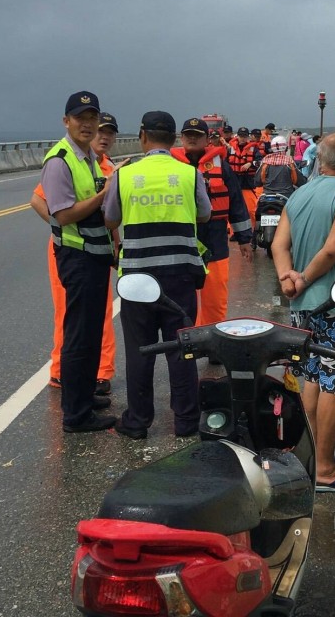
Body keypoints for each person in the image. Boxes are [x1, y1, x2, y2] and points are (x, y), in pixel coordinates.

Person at [104, 111, 212, 440]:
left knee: (140, 350)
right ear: (173, 138)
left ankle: (137, 422)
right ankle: (186, 422)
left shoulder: (126, 175)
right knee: (181, 348)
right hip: (179, 274)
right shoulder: (189, 173)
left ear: (142, 137)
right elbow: (205, 214)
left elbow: (110, 219)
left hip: (137, 279)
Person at [271, 132, 335, 493]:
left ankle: (315, 456)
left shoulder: (299, 194)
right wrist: (307, 277)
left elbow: (280, 244)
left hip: (302, 304)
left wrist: (288, 279)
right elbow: (332, 251)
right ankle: (325, 469)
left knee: (313, 376)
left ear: (319, 159)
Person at [40, 91, 116, 433]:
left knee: (89, 334)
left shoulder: (86, 156)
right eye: (80, 117)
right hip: (78, 257)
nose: (87, 124)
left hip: (94, 256)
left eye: (92, 118)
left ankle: (84, 395)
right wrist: (105, 196)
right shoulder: (60, 160)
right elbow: (64, 213)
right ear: (66, 120)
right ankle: (76, 414)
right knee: (79, 337)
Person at [171, 117, 252, 330]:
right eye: (188, 135)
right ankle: (189, 340)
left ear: (207, 139)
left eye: (197, 135)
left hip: (215, 241)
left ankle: (215, 341)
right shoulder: (171, 167)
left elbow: (236, 203)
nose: (192, 139)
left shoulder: (222, 168)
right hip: (181, 241)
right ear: (181, 138)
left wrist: (244, 239)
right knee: (182, 299)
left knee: (215, 298)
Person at [228, 127, 263, 242]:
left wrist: (250, 163)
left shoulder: (254, 149)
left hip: (248, 183)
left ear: (248, 137)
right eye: (241, 136)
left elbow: (261, 162)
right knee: (234, 209)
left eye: (244, 136)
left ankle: (253, 231)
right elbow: (225, 163)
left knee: (252, 209)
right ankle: (235, 232)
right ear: (237, 136)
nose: (242, 138)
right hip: (234, 182)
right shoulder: (230, 149)